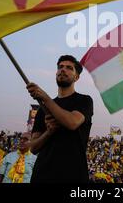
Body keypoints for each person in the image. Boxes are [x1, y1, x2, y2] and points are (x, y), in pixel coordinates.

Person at [26, 55, 93, 183]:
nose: (63, 70)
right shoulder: (42, 109)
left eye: (69, 68)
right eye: (60, 67)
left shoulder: (84, 101)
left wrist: (45, 98)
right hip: (42, 175)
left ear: (77, 77)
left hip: (73, 175)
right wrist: (48, 132)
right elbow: (33, 148)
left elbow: (72, 122)